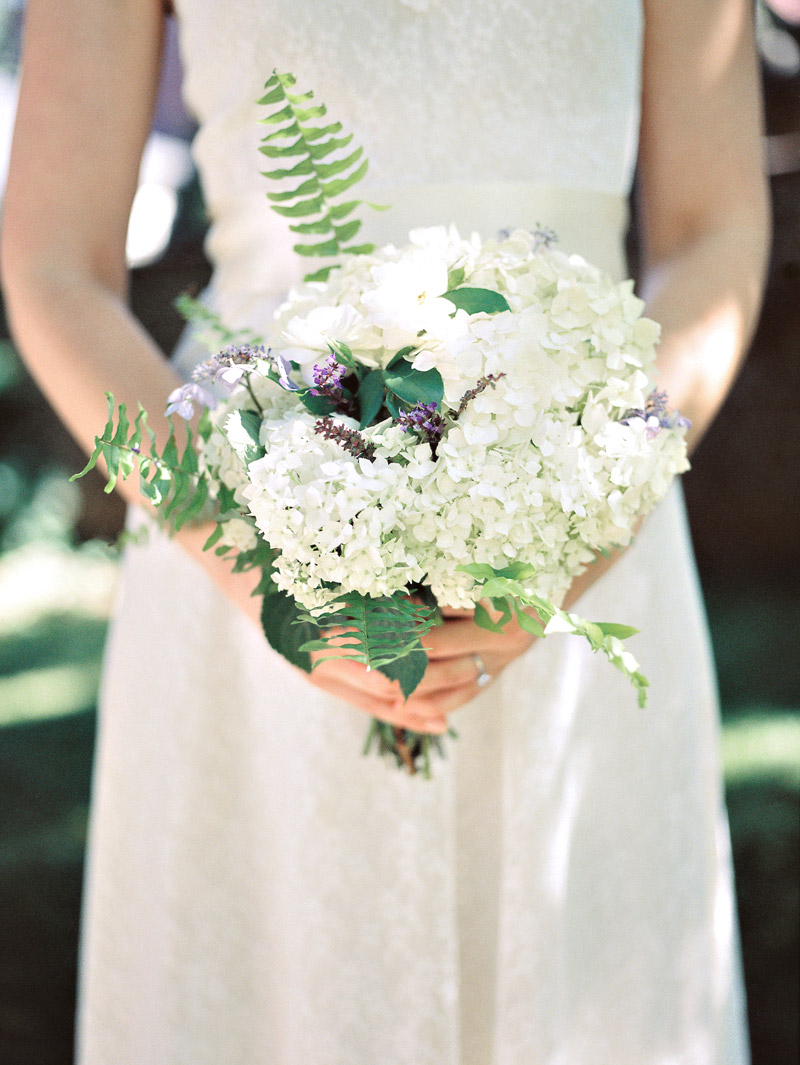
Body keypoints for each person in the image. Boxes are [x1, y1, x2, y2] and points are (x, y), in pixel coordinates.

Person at [1, 0, 769, 1062]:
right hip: (255, 518)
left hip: (583, 516)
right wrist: (258, 567)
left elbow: (710, 232)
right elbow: (53, 263)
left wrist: (589, 513)